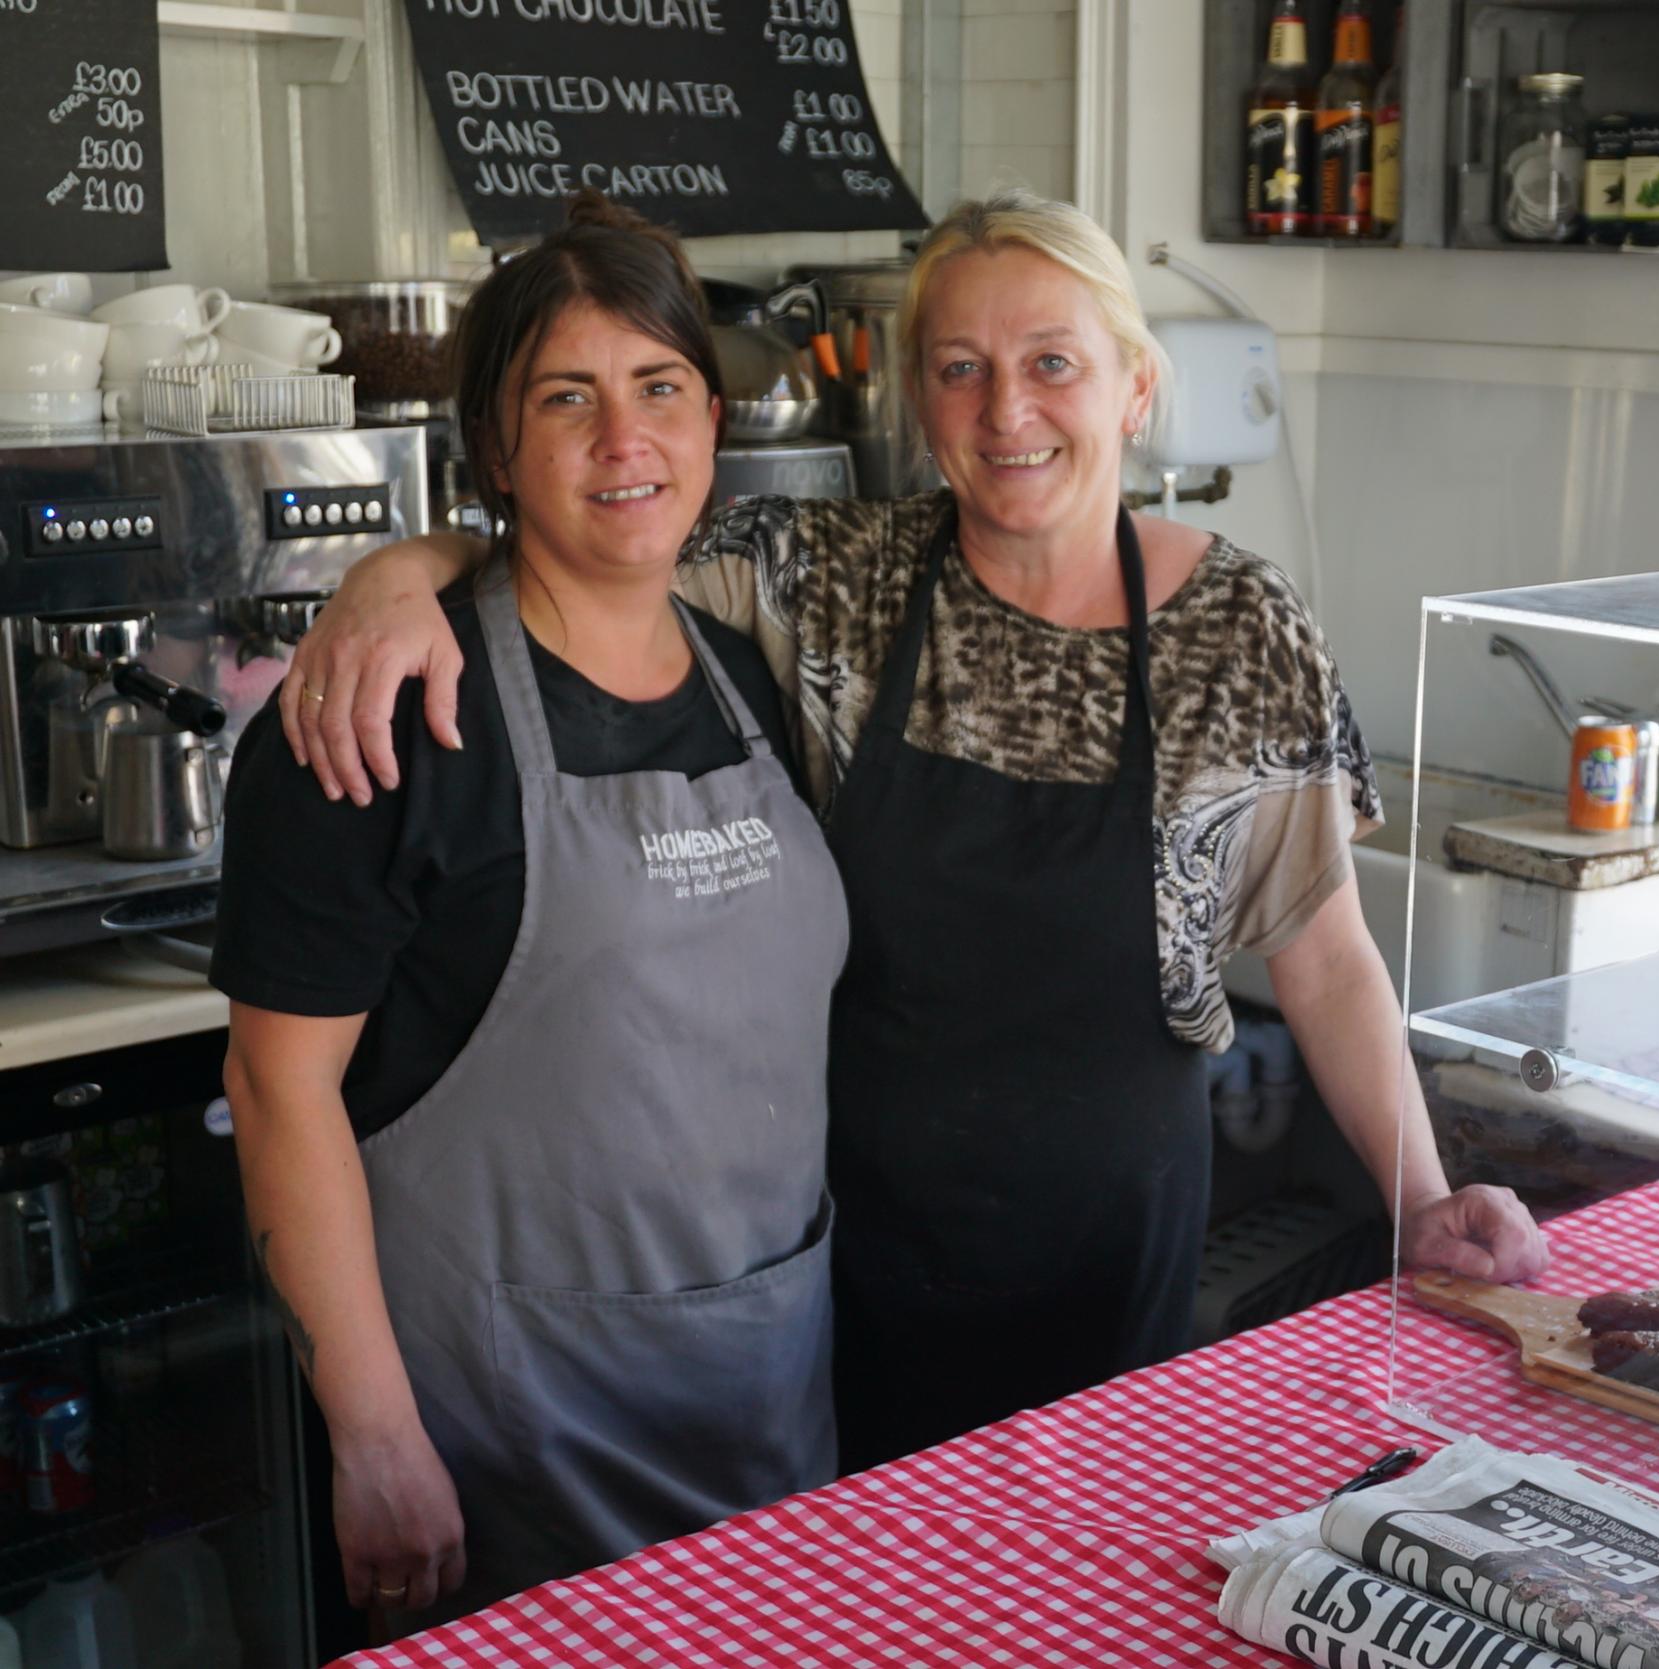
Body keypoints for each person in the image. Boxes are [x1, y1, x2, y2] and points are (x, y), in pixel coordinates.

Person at [281, 188, 1551, 1473]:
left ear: (1133, 388)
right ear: (915, 397)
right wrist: (396, 572)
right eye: (961, 370)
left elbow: (1324, 953)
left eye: (1052, 363)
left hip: (1119, 1273)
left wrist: (1424, 1202)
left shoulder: (1241, 630)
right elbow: (599, 522)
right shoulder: (829, 579)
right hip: (853, 1287)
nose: (1007, 412)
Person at [214, 196, 845, 1624]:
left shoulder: (755, 679)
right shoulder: (376, 724)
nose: (626, 444)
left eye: (660, 389)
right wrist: (374, 1436)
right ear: (493, 449)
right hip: (503, 1446)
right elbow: (273, 1086)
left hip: (767, 1418)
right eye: (568, 399)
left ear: (711, 423)